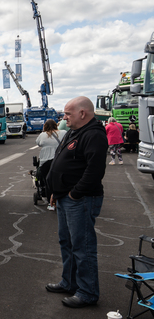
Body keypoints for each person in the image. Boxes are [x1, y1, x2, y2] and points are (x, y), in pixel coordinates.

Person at [45, 96, 108, 308]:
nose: (64, 117)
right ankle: (69, 282)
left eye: (68, 114)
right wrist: (55, 191)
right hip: (64, 197)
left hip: (80, 200)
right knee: (67, 243)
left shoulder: (93, 134)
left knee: (83, 247)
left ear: (83, 113)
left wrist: (75, 193)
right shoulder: (74, 131)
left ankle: (88, 292)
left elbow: (95, 170)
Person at [35, 119, 65, 211]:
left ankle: (50, 203)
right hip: (60, 160)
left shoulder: (42, 135)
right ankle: (62, 201)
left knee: (48, 182)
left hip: (46, 161)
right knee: (61, 181)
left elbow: (38, 143)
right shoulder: (63, 132)